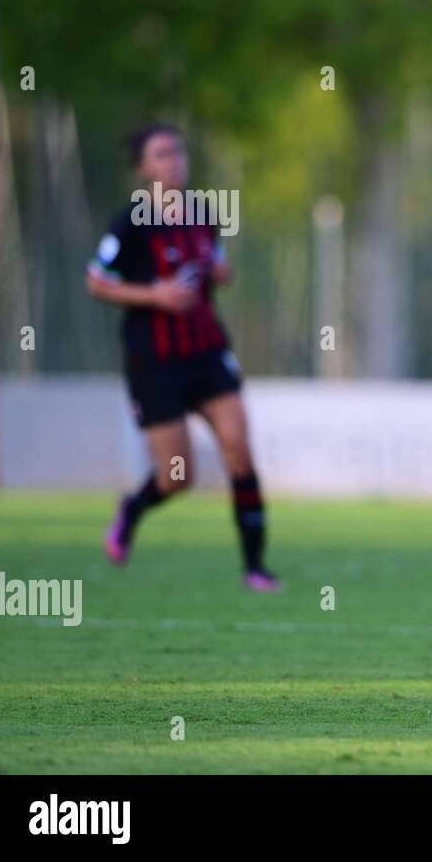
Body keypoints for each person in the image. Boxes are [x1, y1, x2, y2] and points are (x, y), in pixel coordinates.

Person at [86, 123, 278, 591]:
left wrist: (219, 272)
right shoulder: (129, 223)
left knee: (240, 448)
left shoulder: (204, 214)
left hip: (207, 351)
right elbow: (96, 281)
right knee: (178, 477)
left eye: (177, 152)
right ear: (143, 168)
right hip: (156, 361)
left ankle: (254, 567)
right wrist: (155, 294)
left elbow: (212, 265)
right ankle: (131, 510)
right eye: (161, 154)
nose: (173, 161)